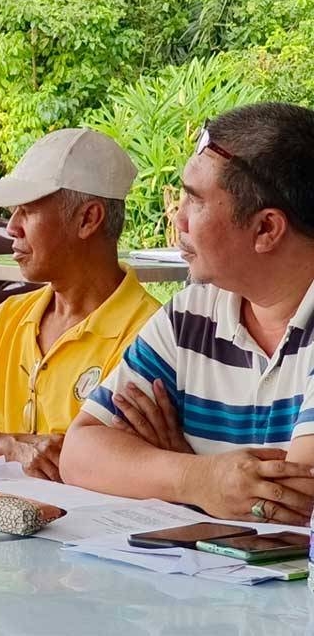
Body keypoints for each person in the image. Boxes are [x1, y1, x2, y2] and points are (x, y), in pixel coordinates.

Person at [60, 102, 314, 526]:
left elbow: (292, 503)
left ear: (266, 228)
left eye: (195, 202)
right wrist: (197, 477)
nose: (178, 219)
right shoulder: (190, 314)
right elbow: (80, 452)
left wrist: (163, 468)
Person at [0, 129, 160, 479]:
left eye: (27, 211)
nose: (11, 227)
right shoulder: (7, 319)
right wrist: (12, 446)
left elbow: (104, 465)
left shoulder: (149, 334)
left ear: (88, 219)